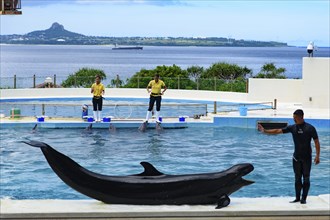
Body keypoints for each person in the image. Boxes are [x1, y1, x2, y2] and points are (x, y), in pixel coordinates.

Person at [258, 109, 320, 204]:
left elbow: (316, 142)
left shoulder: (310, 128)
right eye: (293, 118)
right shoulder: (292, 128)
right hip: (296, 157)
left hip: (307, 157)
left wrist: (317, 156)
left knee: (306, 178)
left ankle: (304, 199)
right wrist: (265, 131)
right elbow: (278, 130)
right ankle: (297, 198)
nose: (294, 120)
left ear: (301, 117)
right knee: (297, 178)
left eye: (296, 118)